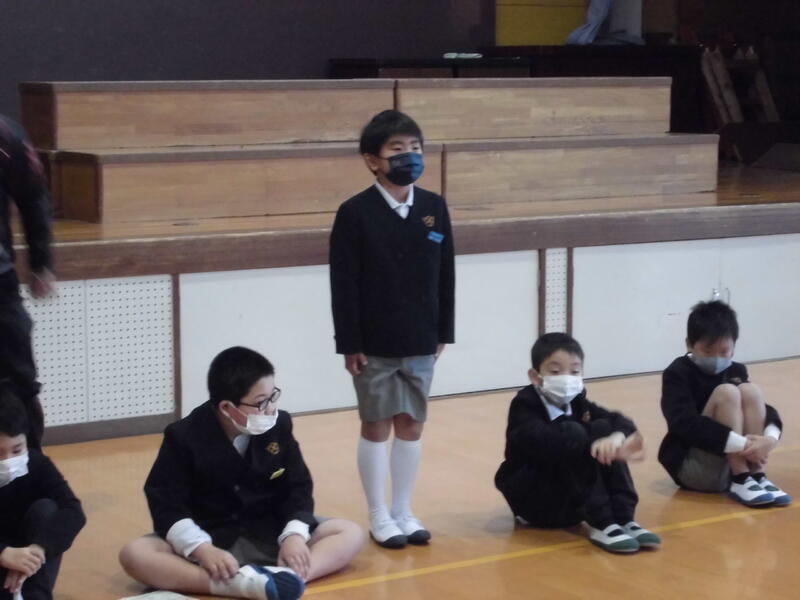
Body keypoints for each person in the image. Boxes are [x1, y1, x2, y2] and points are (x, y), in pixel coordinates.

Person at [118, 347, 364, 600]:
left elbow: (298, 486)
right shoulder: (183, 436)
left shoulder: (279, 424)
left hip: (270, 532)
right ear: (227, 407)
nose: (271, 408)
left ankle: (287, 578)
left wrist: (294, 536)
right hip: (212, 539)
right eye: (261, 402)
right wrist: (202, 549)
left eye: (273, 396)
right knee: (136, 554)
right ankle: (243, 584)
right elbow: (166, 504)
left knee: (349, 533)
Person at [329, 110, 455, 548]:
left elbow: (446, 273)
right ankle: (379, 514)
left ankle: (403, 510)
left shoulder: (434, 207)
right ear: (372, 160)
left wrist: (443, 331)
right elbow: (344, 284)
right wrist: (350, 342)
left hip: (421, 337)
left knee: (411, 425)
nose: (409, 156)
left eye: (415, 147)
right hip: (373, 343)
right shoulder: (354, 212)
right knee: (376, 425)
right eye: (397, 149)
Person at [495, 333, 660, 553]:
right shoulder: (524, 406)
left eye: (574, 372)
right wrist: (597, 441)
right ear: (535, 376)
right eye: (555, 372)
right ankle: (602, 522)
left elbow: (619, 420)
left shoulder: (577, 401)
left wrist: (616, 439)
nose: (566, 378)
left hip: (571, 499)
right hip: (536, 500)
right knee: (577, 434)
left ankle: (623, 518)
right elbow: (549, 439)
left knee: (605, 433)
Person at [659, 300, 791, 507]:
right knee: (727, 393)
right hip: (695, 467)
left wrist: (769, 440)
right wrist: (743, 444)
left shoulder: (736, 370)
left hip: (728, 465)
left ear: (734, 347)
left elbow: (765, 409)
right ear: (690, 345)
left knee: (751, 391)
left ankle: (756, 475)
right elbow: (683, 423)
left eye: (724, 351)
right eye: (708, 351)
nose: (717, 358)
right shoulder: (677, 373)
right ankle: (741, 477)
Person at [0, 115, 55, 451]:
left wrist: (41, 262)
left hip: (0, 285)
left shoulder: (7, 138)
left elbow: (33, 198)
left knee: (20, 380)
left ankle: (30, 464)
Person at [0, 387, 85, 600]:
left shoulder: (37, 463)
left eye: (17, 450)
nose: (8, 461)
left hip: (27, 560)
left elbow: (73, 510)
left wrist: (38, 550)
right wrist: (4, 553)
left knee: (47, 509)